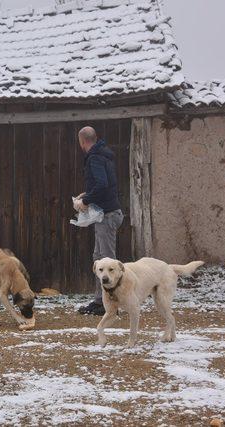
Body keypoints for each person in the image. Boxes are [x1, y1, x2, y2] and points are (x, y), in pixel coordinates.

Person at [74, 126, 124, 316]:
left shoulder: (95, 157)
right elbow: (103, 184)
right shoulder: (103, 155)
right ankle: (100, 300)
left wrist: (85, 202)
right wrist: (87, 194)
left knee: (109, 263)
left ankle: (111, 303)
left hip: (108, 216)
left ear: (82, 141)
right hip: (107, 214)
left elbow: (102, 184)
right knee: (98, 259)